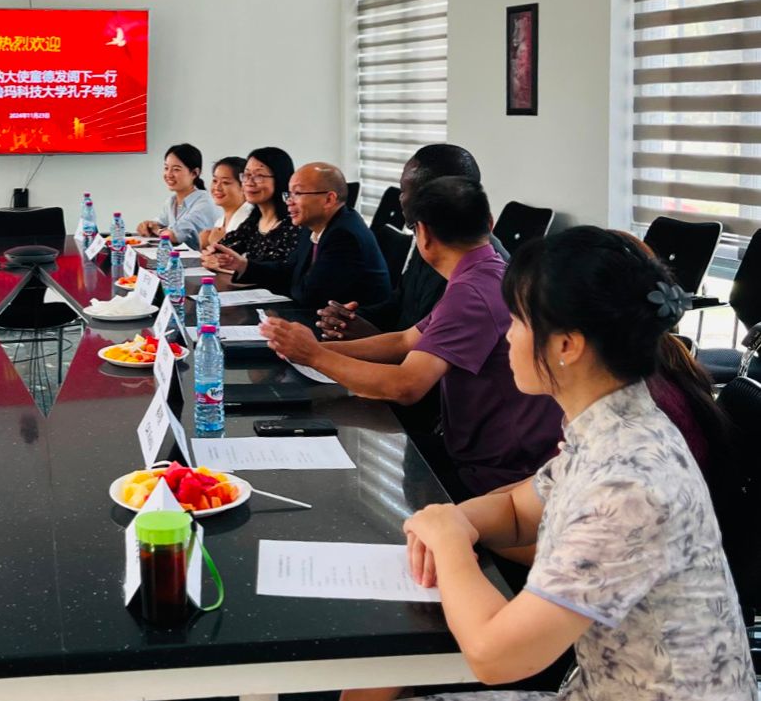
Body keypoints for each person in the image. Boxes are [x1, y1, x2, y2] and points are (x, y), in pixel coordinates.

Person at [342, 228, 754, 701]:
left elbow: (497, 657)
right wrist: (452, 518)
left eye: (517, 321)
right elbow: (518, 510)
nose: (507, 336)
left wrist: (449, 538)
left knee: (376, 679)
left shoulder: (628, 483)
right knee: (375, 677)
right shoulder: (613, 425)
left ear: (566, 346)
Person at [262, 177, 563, 497]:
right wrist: (316, 348)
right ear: (489, 223)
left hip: (499, 472)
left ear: (423, 234)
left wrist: (314, 356)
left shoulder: (472, 292)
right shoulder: (487, 270)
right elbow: (405, 340)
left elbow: (406, 386)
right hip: (493, 450)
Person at [317, 144, 506, 342]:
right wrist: (349, 319)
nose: (400, 198)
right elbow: (400, 303)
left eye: (404, 190)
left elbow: (430, 351)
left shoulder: (480, 277)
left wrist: (370, 336)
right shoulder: (430, 240)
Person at [203, 162, 390, 309]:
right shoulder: (314, 225)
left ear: (329, 199)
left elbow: (309, 295)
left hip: (350, 333)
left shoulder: (343, 236)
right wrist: (243, 265)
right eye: (289, 194)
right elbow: (290, 270)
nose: (289, 202)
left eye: (298, 193)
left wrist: (285, 282)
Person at [207, 147, 300, 267]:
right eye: (246, 175)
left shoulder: (293, 224)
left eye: (259, 176)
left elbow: (286, 272)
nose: (249, 182)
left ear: (279, 178)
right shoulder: (253, 222)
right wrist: (212, 254)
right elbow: (219, 251)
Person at [135, 143, 219, 250]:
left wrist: (158, 230)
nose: (169, 174)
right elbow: (159, 223)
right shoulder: (171, 201)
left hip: (202, 259)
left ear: (194, 173)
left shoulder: (205, 203)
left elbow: (174, 235)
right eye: (166, 168)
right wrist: (147, 225)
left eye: (176, 169)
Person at [197, 156, 252, 250]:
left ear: (244, 186)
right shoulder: (220, 222)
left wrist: (217, 244)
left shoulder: (250, 220)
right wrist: (205, 246)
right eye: (215, 181)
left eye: (225, 182)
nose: (217, 187)